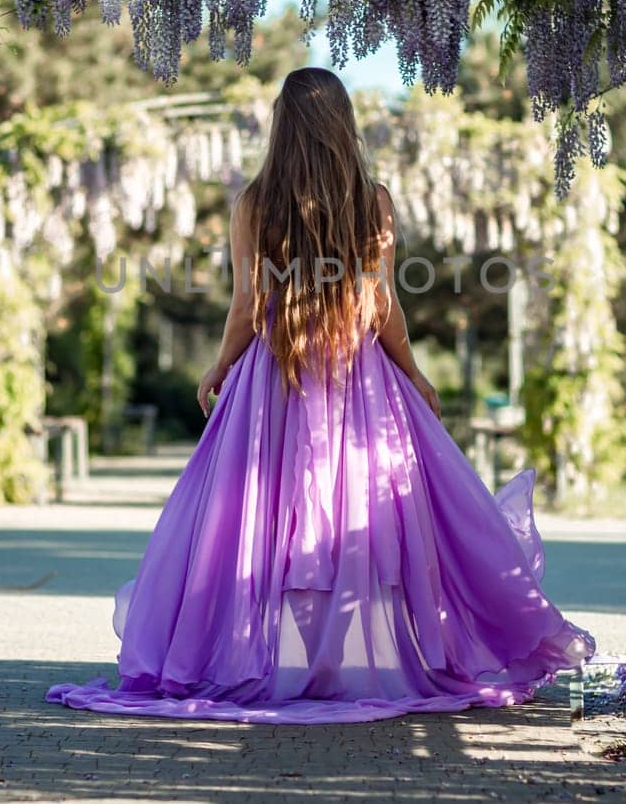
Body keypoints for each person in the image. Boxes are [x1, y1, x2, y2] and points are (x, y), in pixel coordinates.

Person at [46, 67, 593, 724]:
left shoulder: (256, 201)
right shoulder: (373, 201)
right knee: (367, 520)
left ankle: (283, 664)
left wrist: (220, 366)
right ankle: (356, 663)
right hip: (358, 377)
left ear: (282, 127)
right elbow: (381, 301)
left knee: (270, 525)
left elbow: (249, 306)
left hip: (274, 380)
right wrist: (412, 373)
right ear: (344, 126)